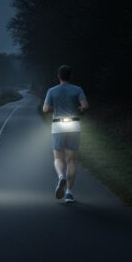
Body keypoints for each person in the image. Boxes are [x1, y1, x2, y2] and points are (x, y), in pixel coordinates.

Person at [42, 65, 88, 203]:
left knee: (58, 158)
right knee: (71, 160)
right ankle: (69, 193)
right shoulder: (77, 89)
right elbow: (85, 106)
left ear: (58, 76)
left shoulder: (52, 90)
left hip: (58, 125)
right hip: (74, 125)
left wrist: (52, 108)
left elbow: (45, 109)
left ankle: (61, 176)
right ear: (70, 76)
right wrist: (80, 110)